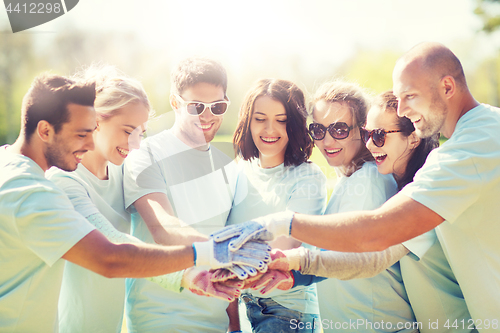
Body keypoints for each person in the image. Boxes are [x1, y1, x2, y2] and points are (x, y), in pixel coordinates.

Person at [216, 42, 500, 326]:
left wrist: (283, 224)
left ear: (447, 87)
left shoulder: (470, 148)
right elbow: (374, 257)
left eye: (410, 96)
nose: (402, 108)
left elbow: (375, 234)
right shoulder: (450, 156)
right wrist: (297, 268)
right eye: (318, 130)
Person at [0, 73, 263, 333]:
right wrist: (208, 255)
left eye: (141, 133)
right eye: (84, 133)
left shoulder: (119, 171)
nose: (136, 146)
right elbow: (111, 251)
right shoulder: (51, 184)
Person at [122, 57, 243, 332]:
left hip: (216, 322)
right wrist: (233, 251)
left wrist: (234, 324)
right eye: (196, 106)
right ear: (175, 103)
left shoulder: (229, 167)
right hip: (161, 320)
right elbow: (163, 228)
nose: (208, 115)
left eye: (218, 106)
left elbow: (226, 232)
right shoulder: (146, 153)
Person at [306, 81, 415, 332]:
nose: (327, 140)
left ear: (362, 130)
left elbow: (353, 256)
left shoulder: (369, 179)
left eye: (340, 129)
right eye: (318, 130)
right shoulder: (352, 178)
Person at [224, 78, 327, 332]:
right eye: (260, 119)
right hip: (239, 309)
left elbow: (279, 251)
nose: (270, 129)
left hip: (286, 313)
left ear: (294, 124)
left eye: (281, 120)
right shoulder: (240, 170)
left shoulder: (308, 177)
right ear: (248, 122)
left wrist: (220, 259)